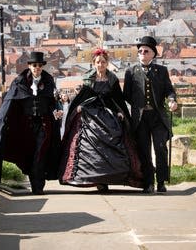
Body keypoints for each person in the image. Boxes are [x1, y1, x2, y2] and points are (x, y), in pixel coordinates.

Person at [0, 51, 63, 195]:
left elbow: (52, 102)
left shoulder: (48, 81)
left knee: (40, 154)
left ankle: (38, 186)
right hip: (27, 126)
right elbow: (10, 102)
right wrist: (3, 122)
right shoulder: (20, 81)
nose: (37, 68)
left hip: (44, 124)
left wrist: (57, 112)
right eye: (34, 65)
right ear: (29, 66)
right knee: (29, 154)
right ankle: (34, 182)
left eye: (39, 65)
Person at [59, 48, 143, 192]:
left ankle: (109, 178)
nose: (100, 65)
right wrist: (79, 106)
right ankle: (97, 180)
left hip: (108, 116)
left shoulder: (112, 79)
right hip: (90, 116)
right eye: (98, 62)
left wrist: (119, 111)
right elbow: (82, 97)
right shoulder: (88, 79)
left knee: (114, 141)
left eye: (103, 62)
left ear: (107, 63)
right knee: (90, 147)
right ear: (94, 63)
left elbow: (117, 99)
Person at [123, 36, 178, 194]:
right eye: (140, 51)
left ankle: (161, 182)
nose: (142, 53)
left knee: (161, 149)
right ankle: (148, 183)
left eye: (146, 51)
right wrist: (137, 105)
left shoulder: (161, 71)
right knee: (144, 152)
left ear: (153, 53)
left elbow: (169, 90)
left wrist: (172, 100)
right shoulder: (130, 72)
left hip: (157, 116)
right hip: (140, 119)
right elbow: (126, 95)